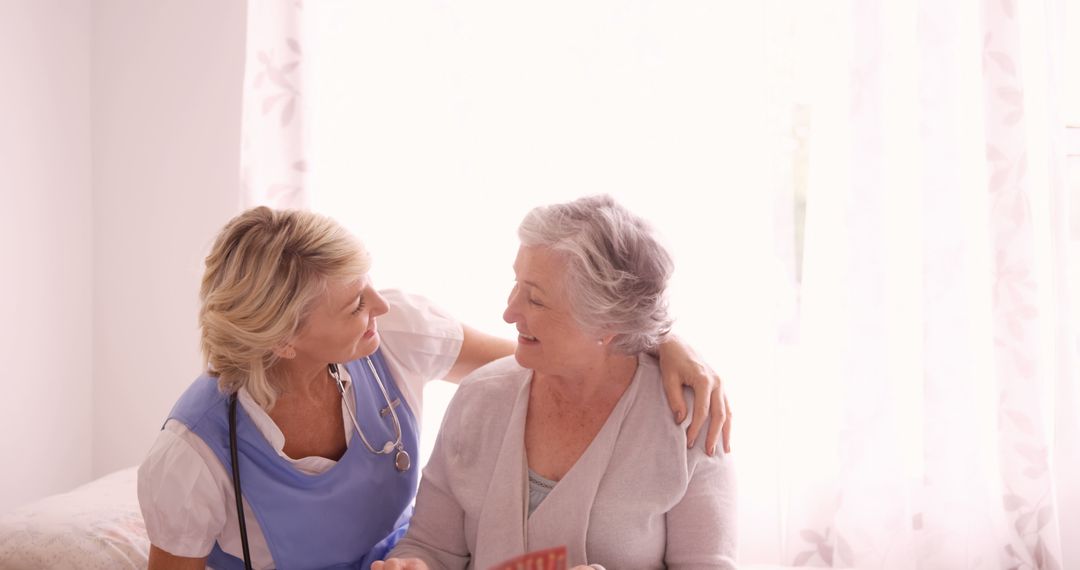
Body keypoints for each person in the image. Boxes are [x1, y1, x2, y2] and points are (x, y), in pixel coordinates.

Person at [137, 206, 730, 569]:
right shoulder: (192, 458)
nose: (379, 304)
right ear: (284, 341)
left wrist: (659, 340)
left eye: (367, 283)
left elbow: (559, 357)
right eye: (352, 304)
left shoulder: (393, 333)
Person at [377, 195, 737, 569]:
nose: (508, 311)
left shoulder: (687, 421)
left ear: (607, 323)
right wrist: (413, 564)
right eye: (516, 284)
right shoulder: (479, 396)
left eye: (535, 300)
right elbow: (430, 547)